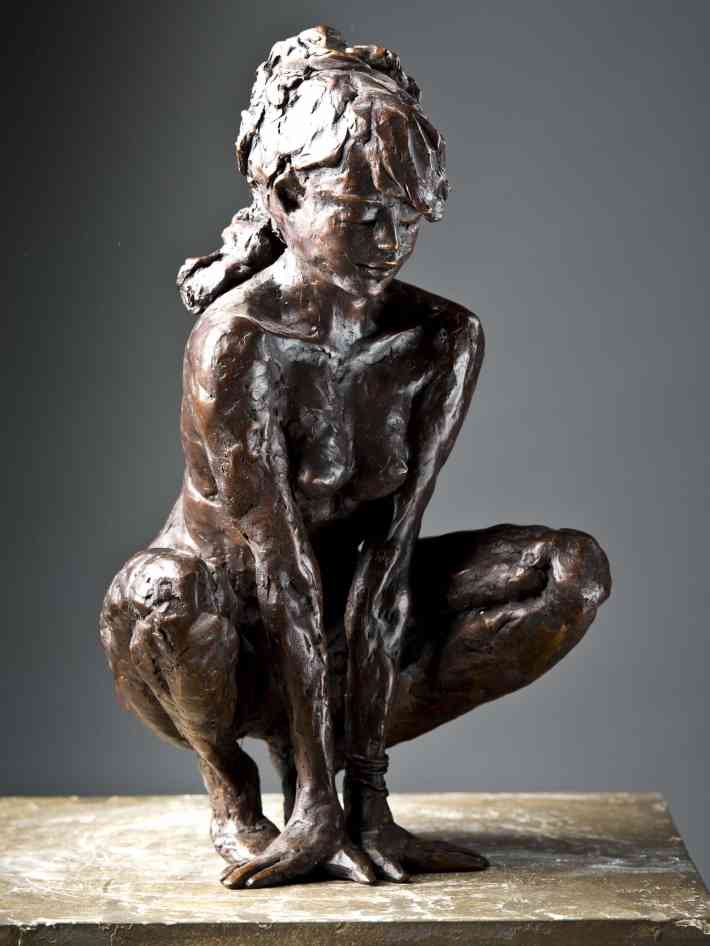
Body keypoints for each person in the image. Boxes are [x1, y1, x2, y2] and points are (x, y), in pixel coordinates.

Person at [100, 26, 611, 889]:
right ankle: (232, 784)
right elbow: (280, 571)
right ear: (285, 197)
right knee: (156, 593)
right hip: (220, 643)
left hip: (352, 636)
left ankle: (345, 794)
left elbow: (387, 561)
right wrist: (315, 804)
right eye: (362, 214)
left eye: (408, 216)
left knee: (570, 574)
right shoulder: (236, 342)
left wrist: (366, 794)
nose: (390, 240)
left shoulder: (443, 338)